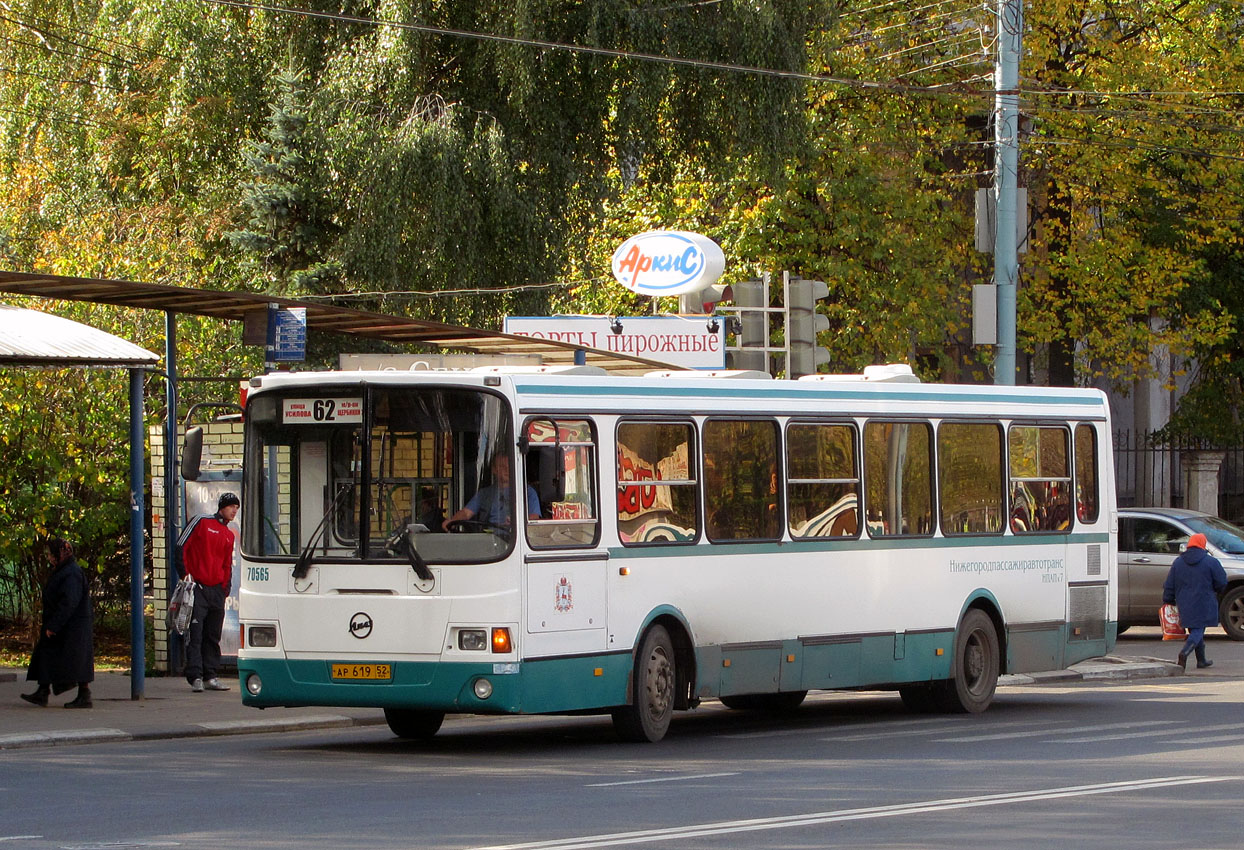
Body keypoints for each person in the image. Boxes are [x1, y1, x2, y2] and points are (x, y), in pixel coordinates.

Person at [21, 538, 94, 709]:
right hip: (66, 624)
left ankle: (84, 696)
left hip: (72, 626)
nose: (48, 557)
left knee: (75, 661)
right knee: (47, 655)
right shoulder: (64, 570)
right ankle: (43, 691)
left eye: (50, 554)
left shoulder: (71, 573)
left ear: (59, 554)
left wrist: (55, 625)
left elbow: (69, 601)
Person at [178, 491, 239, 692]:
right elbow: (181, 545)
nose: (234, 511)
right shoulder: (201, 522)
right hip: (198, 587)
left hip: (217, 591)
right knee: (196, 632)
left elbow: (226, 564)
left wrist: (225, 588)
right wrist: (185, 574)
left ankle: (210, 675)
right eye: (232, 506)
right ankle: (195, 675)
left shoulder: (229, 535)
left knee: (213, 634)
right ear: (222, 506)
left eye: (237, 508)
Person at [1163, 532, 1228, 670]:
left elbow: (1170, 584)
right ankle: (1184, 652)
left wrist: (1168, 599)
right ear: (1202, 544)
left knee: (1195, 628)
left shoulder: (1178, 562)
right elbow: (1221, 582)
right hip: (1204, 601)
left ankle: (1201, 660)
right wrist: (1217, 591)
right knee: (1198, 629)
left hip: (1184, 602)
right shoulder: (1211, 562)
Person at [443, 454, 539, 531]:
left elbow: (534, 518)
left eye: (510, 466)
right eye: (502, 466)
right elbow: (466, 513)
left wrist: (517, 521)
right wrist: (452, 521)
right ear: (494, 470)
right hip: (488, 540)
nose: (507, 470)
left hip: (515, 540)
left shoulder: (527, 492)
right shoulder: (484, 493)